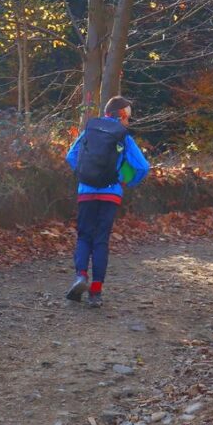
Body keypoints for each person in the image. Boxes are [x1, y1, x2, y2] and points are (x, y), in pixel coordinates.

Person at [65, 96, 150, 307]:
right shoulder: (123, 136)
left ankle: (80, 276)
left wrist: (84, 173)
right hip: (111, 193)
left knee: (84, 236)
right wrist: (124, 182)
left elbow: (71, 156)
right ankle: (96, 292)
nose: (128, 122)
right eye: (128, 118)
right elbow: (142, 167)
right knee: (101, 239)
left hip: (86, 190)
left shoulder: (90, 130)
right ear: (121, 115)